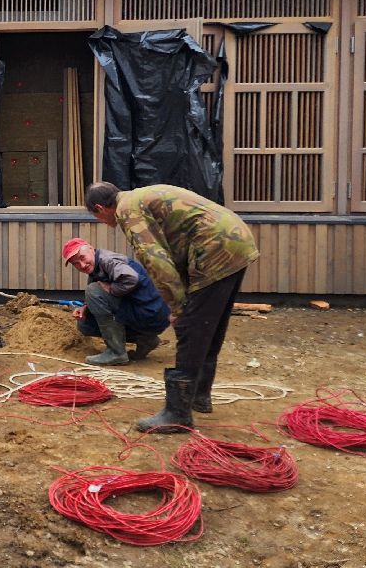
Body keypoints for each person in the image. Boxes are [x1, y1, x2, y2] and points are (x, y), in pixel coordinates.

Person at [84, 181, 259, 433]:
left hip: (214, 246)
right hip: (235, 239)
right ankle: (199, 396)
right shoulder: (139, 197)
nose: (101, 221)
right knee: (210, 323)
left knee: (191, 326)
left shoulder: (128, 211)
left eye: (97, 217)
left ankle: (177, 413)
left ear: (100, 208)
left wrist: (177, 308)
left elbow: (157, 261)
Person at [61, 237, 171, 366]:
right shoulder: (96, 267)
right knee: (85, 324)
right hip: (145, 313)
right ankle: (146, 340)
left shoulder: (108, 260)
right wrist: (85, 307)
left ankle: (116, 353)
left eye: (82, 258)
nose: (82, 265)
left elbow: (131, 279)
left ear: (91, 249)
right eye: (76, 263)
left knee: (93, 290)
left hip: (150, 313)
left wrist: (111, 288)